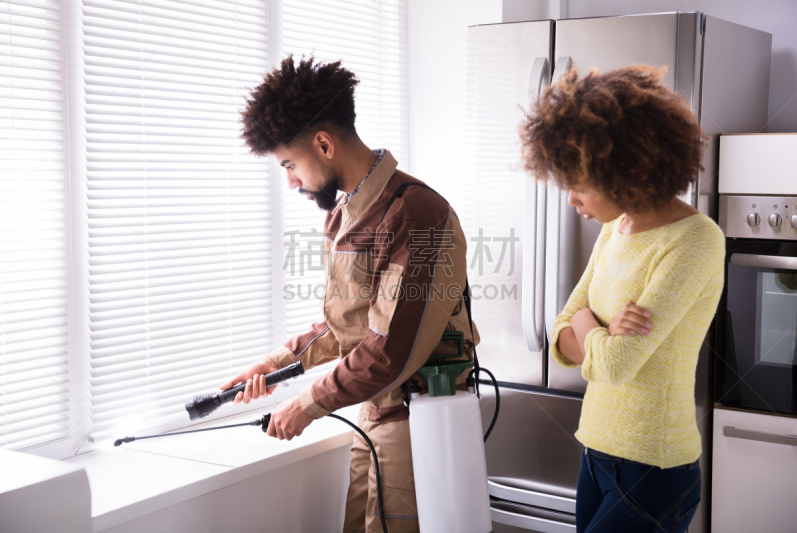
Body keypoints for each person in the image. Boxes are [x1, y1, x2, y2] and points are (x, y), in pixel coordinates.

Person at [221, 56, 478, 533]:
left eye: (290, 165)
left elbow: (390, 345)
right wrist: (277, 365)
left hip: (418, 419)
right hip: (375, 413)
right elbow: (353, 323)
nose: (292, 181)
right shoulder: (345, 216)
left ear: (324, 144)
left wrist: (307, 404)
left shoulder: (416, 213)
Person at [519, 65, 725, 533]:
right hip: (595, 452)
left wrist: (589, 327)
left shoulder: (695, 240)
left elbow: (616, 365)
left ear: (625, 169)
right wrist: (600, 332)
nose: (571, 200)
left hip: (654, 468)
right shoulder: (615, 228)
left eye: (580, 183)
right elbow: (559, 332)